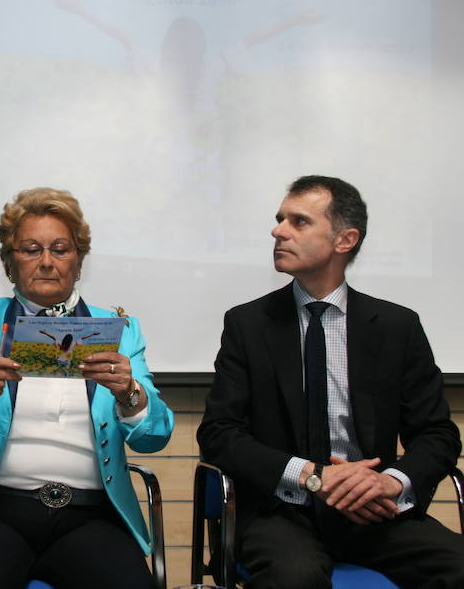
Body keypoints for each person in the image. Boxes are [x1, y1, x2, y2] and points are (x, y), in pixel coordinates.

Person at [197, 175, 464, 588]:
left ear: (345, 240)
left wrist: (389, 482)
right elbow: (219, 433)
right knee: (296, 578)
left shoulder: (397, 326)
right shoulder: (248, 325)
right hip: (282, 511)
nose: (278, 231)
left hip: (370, 507)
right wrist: (311, 475)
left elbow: (437, 434)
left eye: (299, 221)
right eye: (280, 219)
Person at [0, 188, 173, 589]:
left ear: (79, 260)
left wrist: (130, 393)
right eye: (30, 250)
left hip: (91, 516)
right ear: (9, 263)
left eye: (60, 249)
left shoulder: (118, 330)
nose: (47, 262)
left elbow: (154, 438)